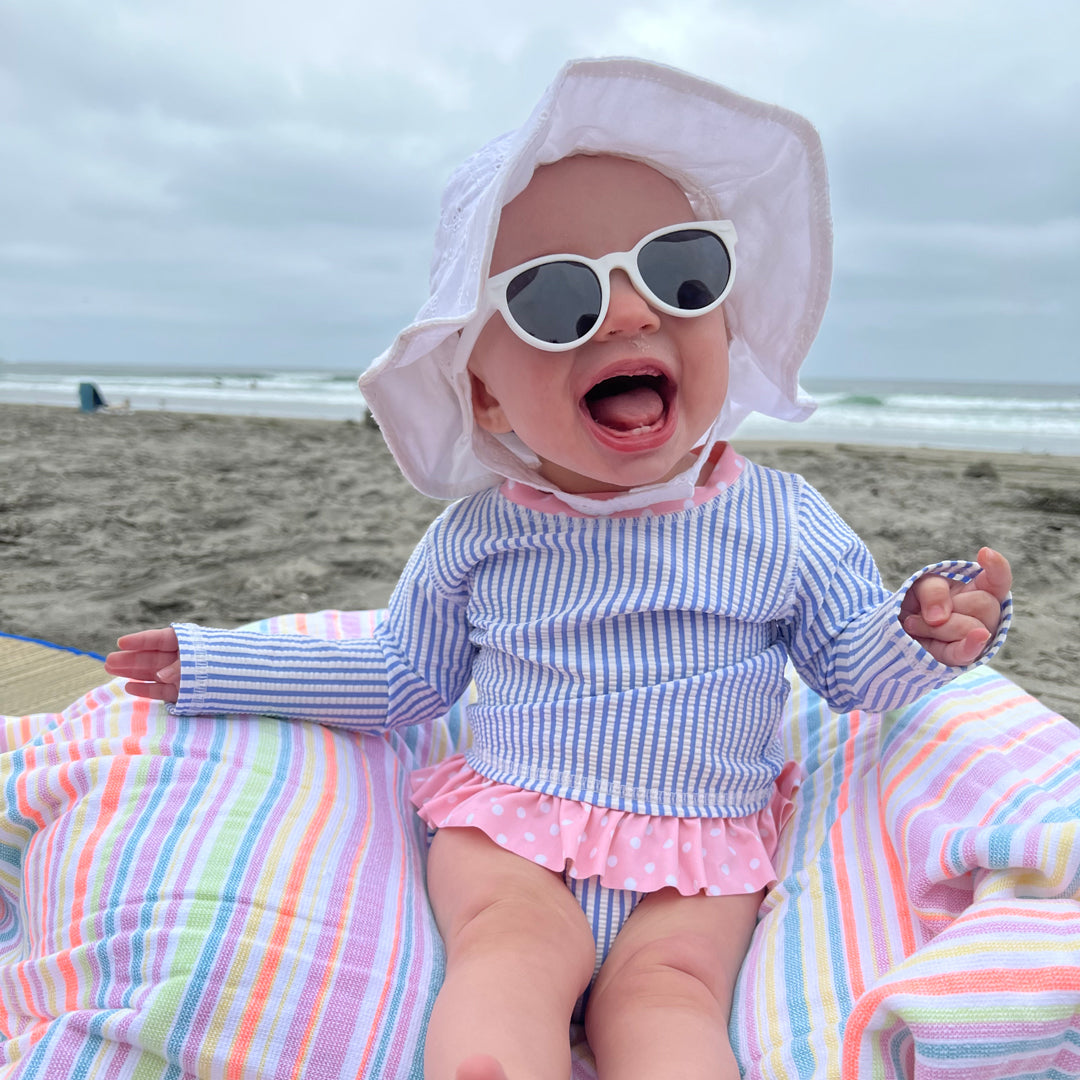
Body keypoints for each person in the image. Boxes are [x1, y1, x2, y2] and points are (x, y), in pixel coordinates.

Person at [104, 59, 1012, 1080]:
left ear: (726, 322)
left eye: (680, 276)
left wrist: (919, 634)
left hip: (699, 853)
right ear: (485, 396)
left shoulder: (783, 521)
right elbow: (404, 675)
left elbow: (849, 671)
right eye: (555, 298)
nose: (631, 315)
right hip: (512, 830)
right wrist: (221, 666)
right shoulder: (482, 536)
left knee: (671, 1003)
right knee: (505, 962)